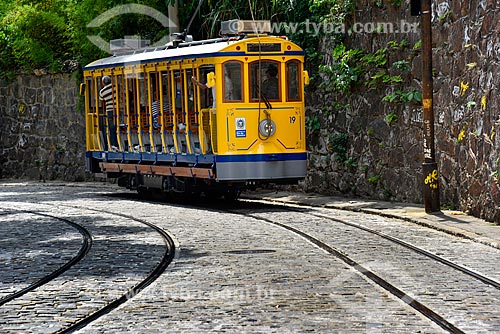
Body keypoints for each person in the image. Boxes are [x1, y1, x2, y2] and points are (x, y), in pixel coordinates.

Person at [99, 76, 119, 150]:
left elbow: (102, 101)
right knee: (119, 126)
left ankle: (114, 144)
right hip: (118, 109)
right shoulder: (116, 87)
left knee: (112, 128)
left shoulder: (102, 92)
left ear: (103, 82)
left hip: (109, 110)